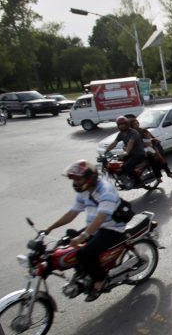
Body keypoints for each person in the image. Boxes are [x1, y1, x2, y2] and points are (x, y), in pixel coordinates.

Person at [42, 160, 126, 301]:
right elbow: (71, 214)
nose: (75, 182)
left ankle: (100, 280)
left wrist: (84, 236)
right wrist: (49, 228)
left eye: (78, 178)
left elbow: (101, 217)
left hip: (112, 228)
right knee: (67, 242)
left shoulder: (106, 190)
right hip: (95, 227)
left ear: (90, 177)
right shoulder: (84, 192)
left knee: (85, 252)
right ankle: (84, 272)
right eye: (74, 179)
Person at [104, 115, 147, 181]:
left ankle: (137, 180)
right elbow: (114, 143)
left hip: (138, 154)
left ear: (127, 124)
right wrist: (105, 152)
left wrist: (126, 152)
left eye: (123, 124)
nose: (122, 126)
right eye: (120, 125)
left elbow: (131, 142)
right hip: (130, 153)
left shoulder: (133, 132)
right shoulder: (121, 134)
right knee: (117, 163)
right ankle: (124, 178)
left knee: (127, 166)